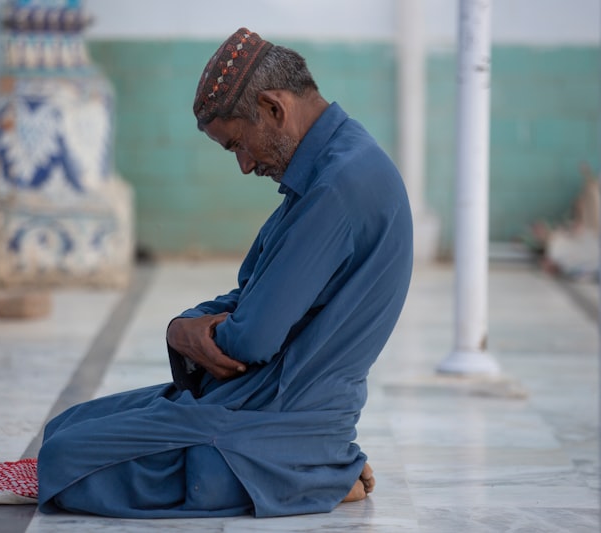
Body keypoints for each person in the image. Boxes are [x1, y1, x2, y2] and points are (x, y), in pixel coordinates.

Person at [37, 27, 413, 518]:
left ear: (275, 108)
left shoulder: (336, 189)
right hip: (261, 398)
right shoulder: (340, 162)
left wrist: (193, 333)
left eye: (238, 144)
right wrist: (185, 329)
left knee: (64, 457)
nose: (243, 164)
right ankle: (317, 463)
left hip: (274, 414)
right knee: (65, 427)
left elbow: (252, 339)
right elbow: (253, 295)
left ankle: (312, 469)